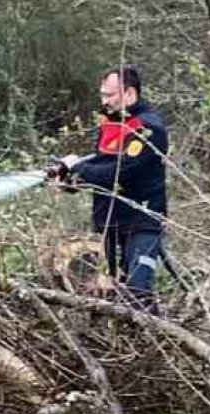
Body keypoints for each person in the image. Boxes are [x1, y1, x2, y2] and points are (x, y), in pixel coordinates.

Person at [55, 65, 169, 313]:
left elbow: (120, 171)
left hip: (142, 222)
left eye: (110, 95)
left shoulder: (148, 129)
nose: (104, 101)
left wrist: (80, 170)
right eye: (102, 94)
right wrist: (70, 177)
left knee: (138, 290)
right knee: (113, 290)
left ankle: (159, 343)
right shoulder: (112, 122)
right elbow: (101, 163)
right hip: (110, 223)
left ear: (129, 94)